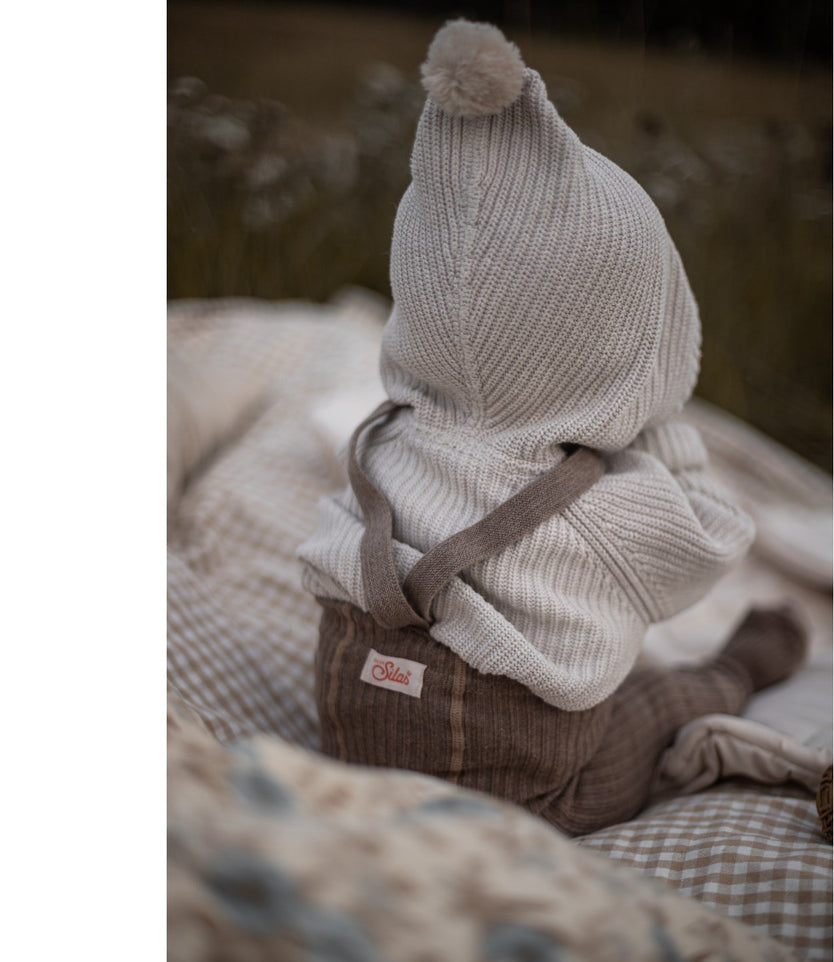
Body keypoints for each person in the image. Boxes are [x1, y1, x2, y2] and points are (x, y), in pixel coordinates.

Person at [297, 19, 806, 837]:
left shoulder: (389, 438)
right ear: (630, 352)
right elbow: (713, 538)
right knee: (649, 704)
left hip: (348, 728)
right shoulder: (603, 511)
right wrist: (660, 429)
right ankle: (742, 669)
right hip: (513, 794)